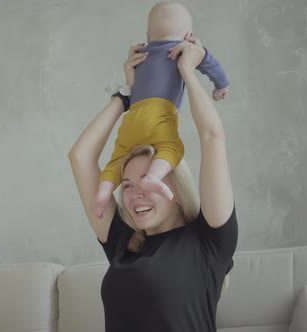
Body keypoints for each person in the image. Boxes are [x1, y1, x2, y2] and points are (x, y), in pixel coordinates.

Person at [68, 33, 238, 332]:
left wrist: (187, 71)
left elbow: (212, 136)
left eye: (146, 180)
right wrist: (126, 98)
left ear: (175, 188)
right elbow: (80, 157)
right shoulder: (123, 242)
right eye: (128, 185)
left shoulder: (209, 241)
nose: (135, 195)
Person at [90, 1, 230, 219]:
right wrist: (221, 86)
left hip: (133, 117)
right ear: (188, 35)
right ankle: (153, 177)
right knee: (171, 147)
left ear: (147, 36)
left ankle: (102, 192)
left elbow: (138, 88)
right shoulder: (184, 52)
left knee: (118, 159)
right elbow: (213, 67)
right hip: (159, 117)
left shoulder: (141, 55)